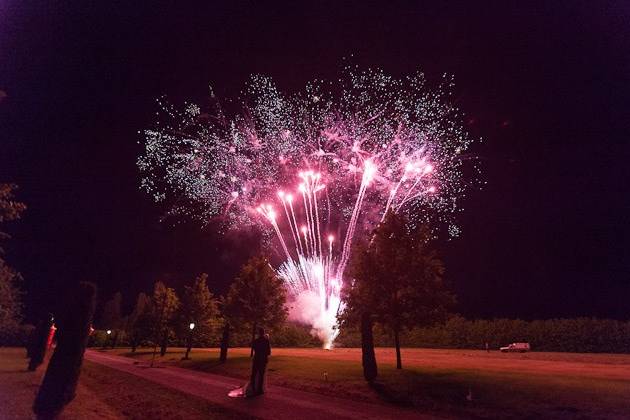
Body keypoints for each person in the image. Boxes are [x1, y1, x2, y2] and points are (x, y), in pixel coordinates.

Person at [249, 328, 271, 396]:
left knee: (254, 374)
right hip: (263, 360)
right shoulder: (266, 341)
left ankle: (252, 388)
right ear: (264, 333)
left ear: (259, 333)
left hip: (256, 359)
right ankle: (259, 390)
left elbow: (254, 348)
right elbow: (269, 352)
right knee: (261, 375)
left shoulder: (255, 341)